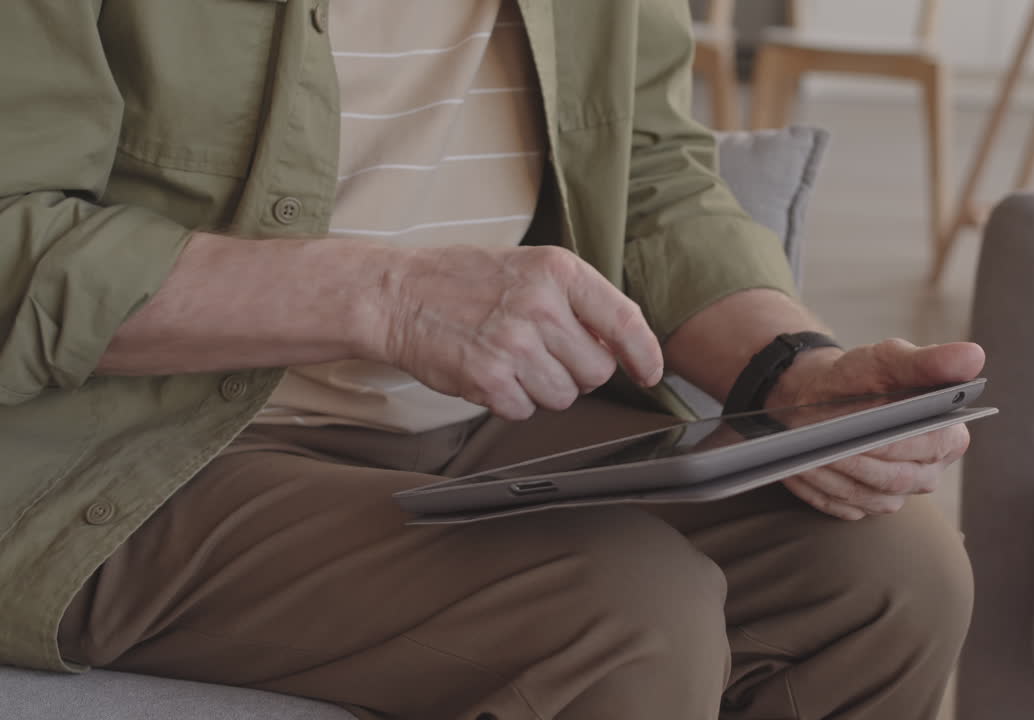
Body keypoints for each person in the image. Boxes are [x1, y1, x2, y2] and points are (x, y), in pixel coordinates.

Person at [0, 1, 983, 718]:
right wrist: (381, 295)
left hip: (476, 421)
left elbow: (645, 172)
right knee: (625, 612)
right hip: (139, 446)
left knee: (887, 574)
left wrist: (790, 371)